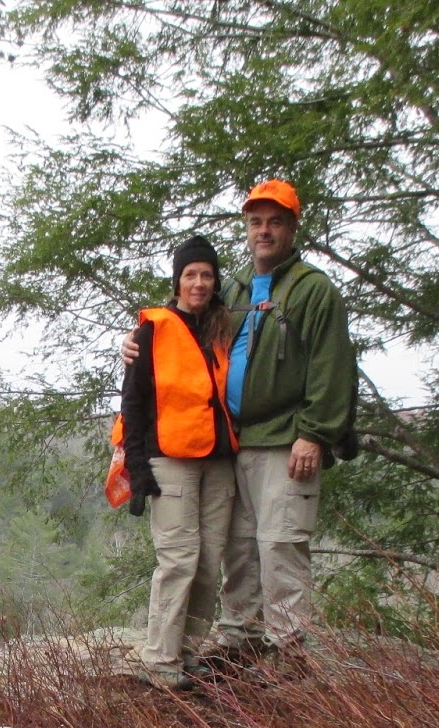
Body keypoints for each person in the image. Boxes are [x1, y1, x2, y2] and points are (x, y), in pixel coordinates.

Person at [124, 180, 356, 659]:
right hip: (234, 442)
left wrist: (313, 435)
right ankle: (241, 643)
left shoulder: (314, 291)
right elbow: (182, 321)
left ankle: (287, 653)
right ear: (247, 229)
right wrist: (135, 339)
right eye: (256, 222)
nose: (264, 231)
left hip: (287, 441)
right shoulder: (235, 288)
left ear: (293, 227)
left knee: (280, 545)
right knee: (238, 549)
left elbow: (333, 367)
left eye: (275, 222)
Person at [121, 234, 238, 690]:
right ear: (177, 281)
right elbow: (132, 402)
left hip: (219, 462)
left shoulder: (223, 328)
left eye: (207, 274)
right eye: (191, 274)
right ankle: (160, 659)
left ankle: (188, 652)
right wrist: (137, 466)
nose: (199, 282)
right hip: (170, 461)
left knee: (209, 561)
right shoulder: (153, 329)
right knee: (178, 559)